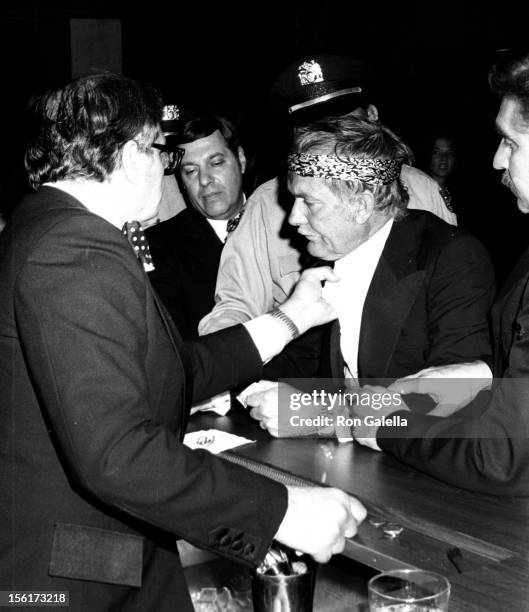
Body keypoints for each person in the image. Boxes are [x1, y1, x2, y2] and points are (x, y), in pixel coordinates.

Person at [0, 73, 366, 611]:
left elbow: (165, 370)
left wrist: (288, 319)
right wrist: (282, 510)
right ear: (129, 158)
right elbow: (117, 455)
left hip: (96, 550)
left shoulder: (56, 230)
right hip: (65, 576)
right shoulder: (73, 249)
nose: (291, 217)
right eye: (164, 155)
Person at [347, 49, 529, 497]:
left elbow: (503, 453)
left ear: (360, 198)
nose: (496, 161)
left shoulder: (448, 258)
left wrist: (313, 414)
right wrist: (483, 373)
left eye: (512, 142)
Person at [245, 115, 494, 436]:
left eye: (308, 202)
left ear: (361, 206)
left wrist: (321, 418)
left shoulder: (452, 258)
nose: (293, 218)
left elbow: (462, 396)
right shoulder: (329, 252)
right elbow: (302, 364)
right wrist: (218, 388)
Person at [199, 54, 457, 335]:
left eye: (341, 123)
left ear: (371, 117)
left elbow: (453, 302)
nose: (326, 142)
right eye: (311, 129)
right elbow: (235, 309)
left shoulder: (423, 191)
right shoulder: (266, 206)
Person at [146, 114, 248, 339]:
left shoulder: (288, 222)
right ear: (181, 182)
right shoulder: (159, 247)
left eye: (216, 162)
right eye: (191, 171)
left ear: (240, 159)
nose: (204, 179)